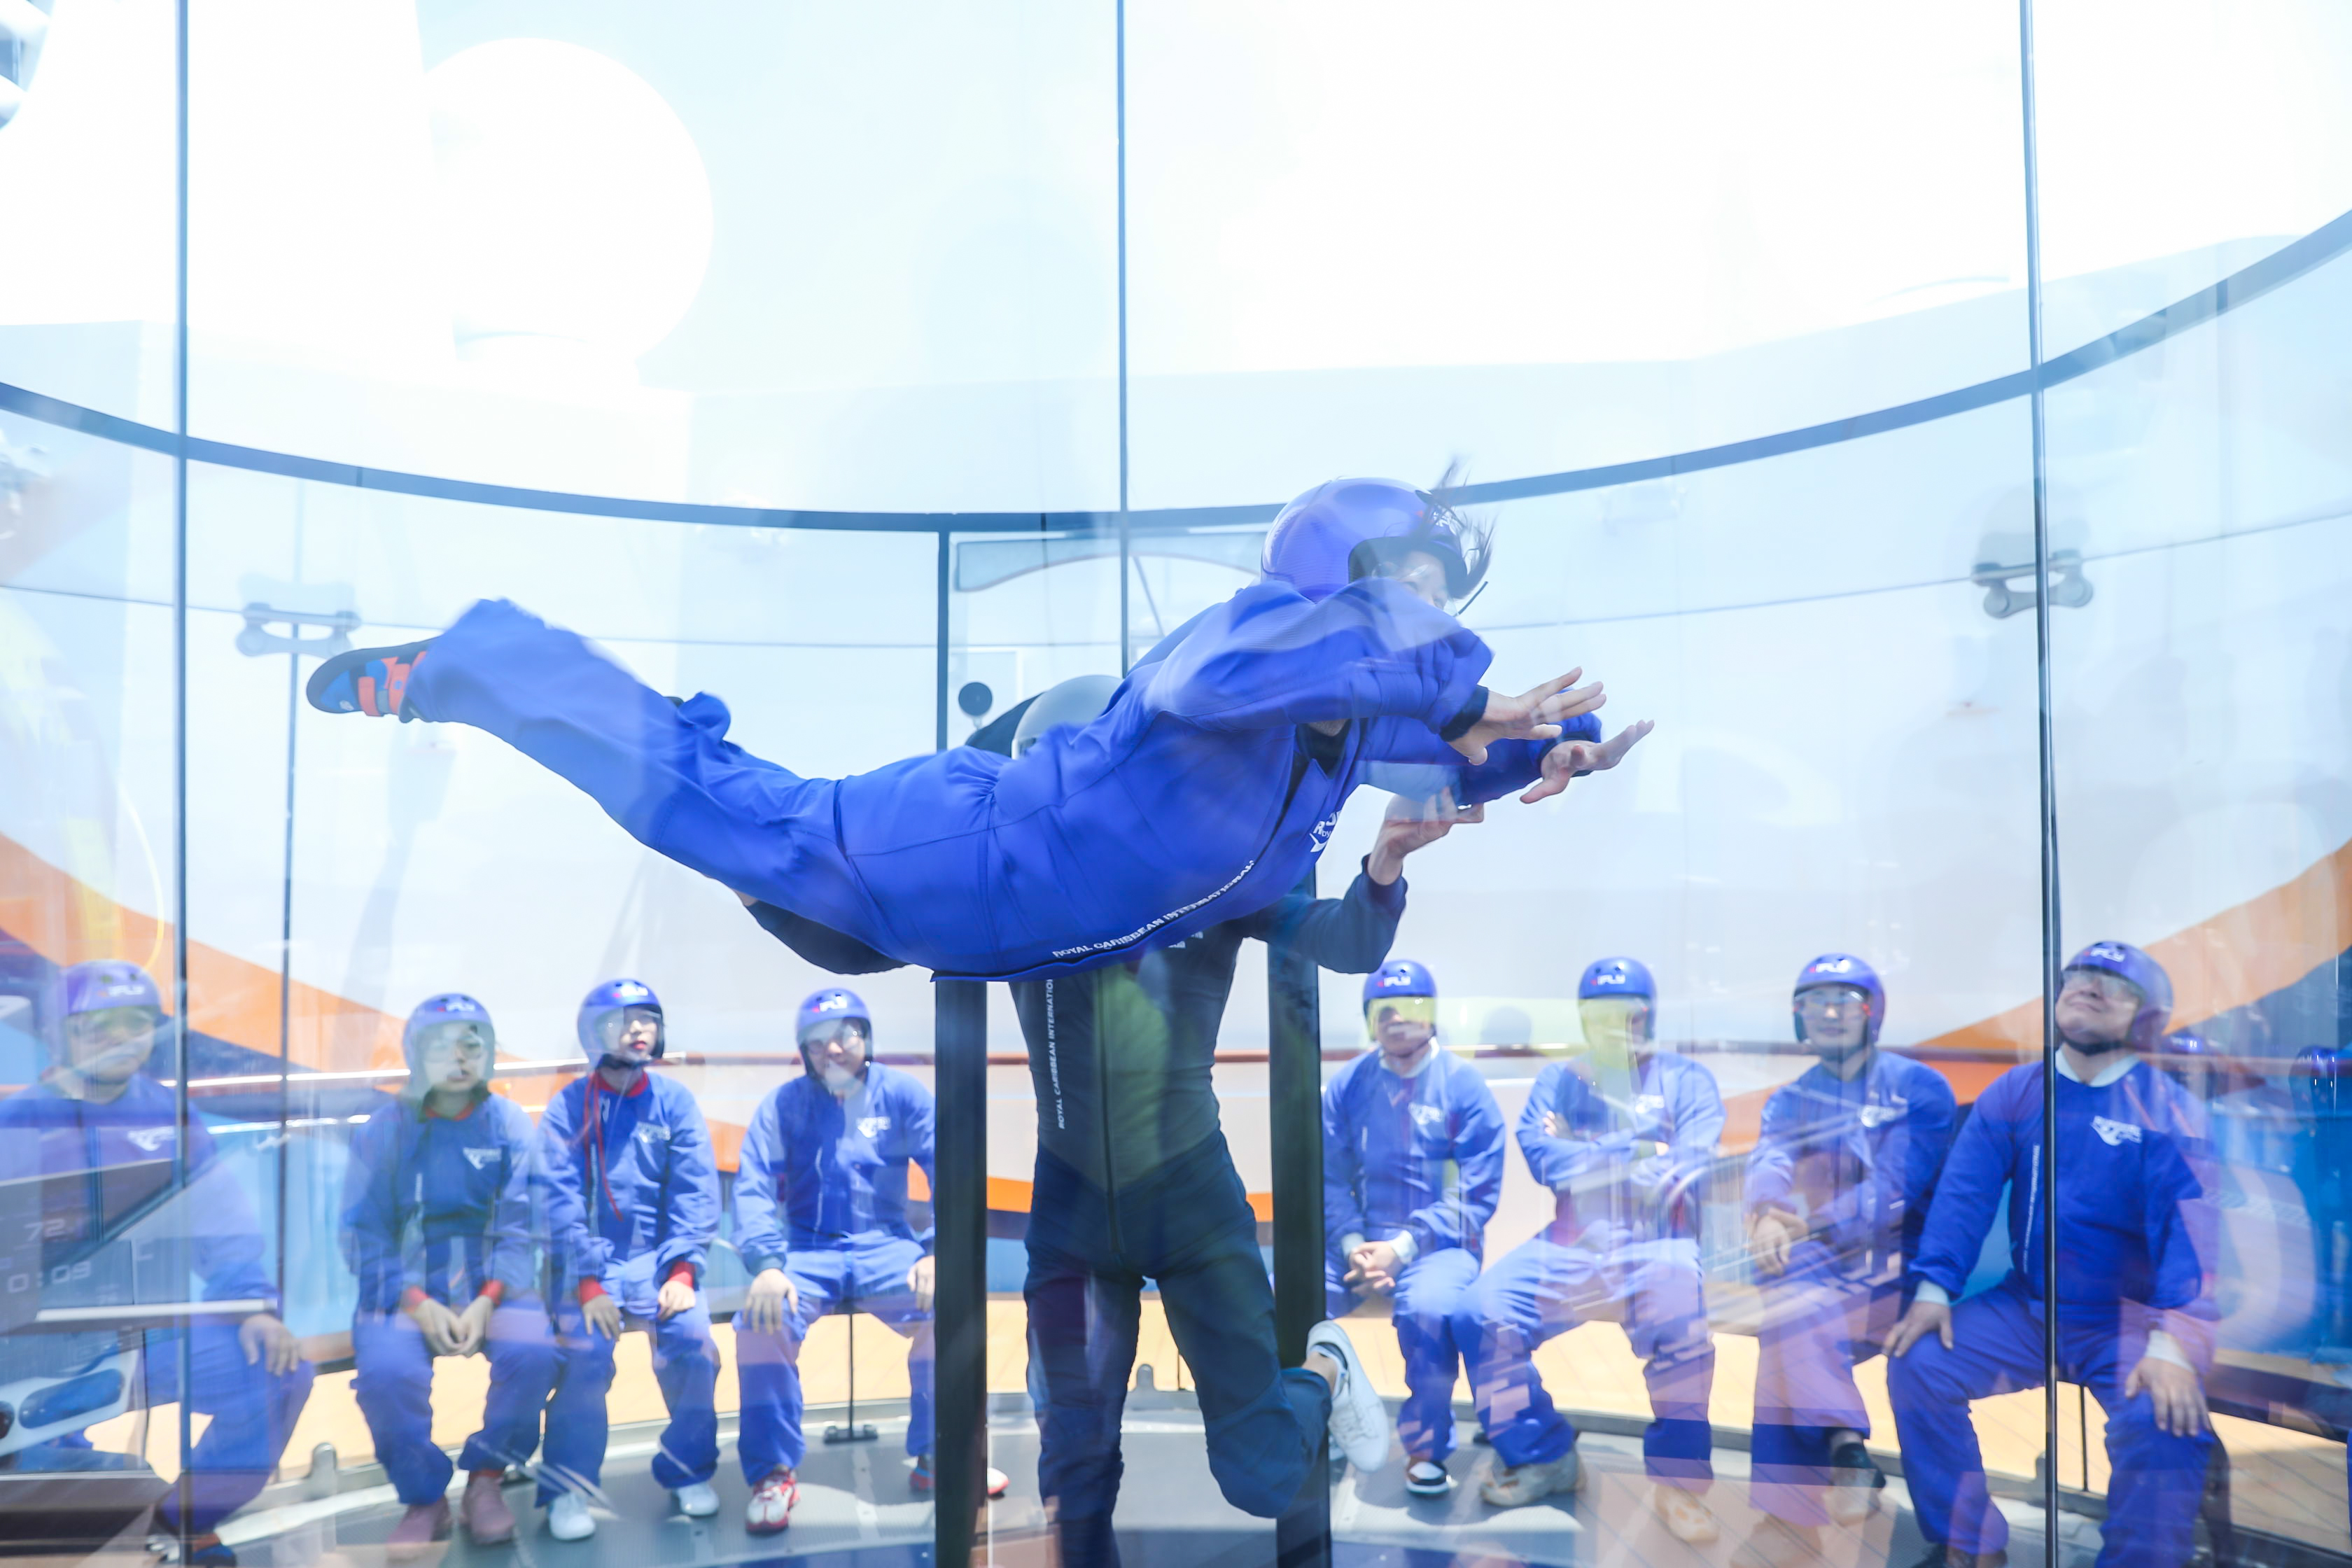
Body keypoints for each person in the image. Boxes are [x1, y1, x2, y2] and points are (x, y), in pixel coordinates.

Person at [302, 477, 1651, 983]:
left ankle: (500, 677)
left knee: (739, 834)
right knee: (694, 796)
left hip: (964, 931)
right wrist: (1454, 685)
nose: (1430, 615)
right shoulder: (1241, 639)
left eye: (1438, 601)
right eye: (1409, 584)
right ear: (1339, 573)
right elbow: (1270, 679)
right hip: (953, 850)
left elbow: (1440, 752)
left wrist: (1544, 756)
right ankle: (477, 661)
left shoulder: (1342, 734)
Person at [990, 678, 1476, 1566]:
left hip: (1189, 1201)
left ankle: (1326, 1367)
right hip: (1070, 1214)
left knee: (1262, 1474)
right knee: (1074, 1473)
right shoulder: (1011, 885)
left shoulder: (1210, 874)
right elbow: (868, 925)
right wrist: (763, 872)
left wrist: (1384, 863)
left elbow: (1346, 941)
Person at [1886, 941, 2217, 1568]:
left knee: (2166, 1421)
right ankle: (1971, 1546)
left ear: (2147, 1017)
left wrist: (2176, 1342)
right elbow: (1964, 1196)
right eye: (2079, 976)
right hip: (2027, 1306)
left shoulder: (2170, 1109)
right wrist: (1934, 1290)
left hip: (2127, 1320)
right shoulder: (2018, 1091)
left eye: (2113, 984)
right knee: (1919, 1364)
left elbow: (2195, 1238)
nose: (2089, 987)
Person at [0, 961, 313, 1567]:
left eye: (136, 1023)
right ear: (61, 1034)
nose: (121, 1038)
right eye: (99, 1025)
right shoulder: (16, 1124)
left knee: (279, 1372)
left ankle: (183, 1523)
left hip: (148, 1333)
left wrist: (254, 1305)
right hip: (39, 1347)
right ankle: (113, 1525)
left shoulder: (171, 1115)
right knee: (48, 1471)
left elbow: (221, 1224)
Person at [1452, 956, 1726, 1541]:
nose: (1617, 1023)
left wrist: (1587, 1154)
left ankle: (1678, 1482)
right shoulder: (1560, 1079)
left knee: (1683, 1331)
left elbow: (1687, 1169)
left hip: (1659, 1241)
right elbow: (1543, 1160)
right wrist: (1640, 1149)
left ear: (1649, 1015)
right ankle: (1545, 1455)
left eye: (1630, 1011)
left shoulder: (1688, 1080)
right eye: (1602, 1013)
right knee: (1480, 1311)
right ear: (1584, 1019)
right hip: (1573, 1239)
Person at [732, 988, 1008, 1534]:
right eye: (818, 1042)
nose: (833, 1049)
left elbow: (952, 1172)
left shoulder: (902, 1094)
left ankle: (942, 1453)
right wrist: (765, 1263)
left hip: (887, 1245)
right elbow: (754, 1186)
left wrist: (939, 1251)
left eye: (845, 1036)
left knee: (950, 1307)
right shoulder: (783, 1105)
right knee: (760, 1323)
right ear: (804, 1052)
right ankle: (773, 1473)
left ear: (866, 1038)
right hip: (805, 1250)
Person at [1740, 956, 1956, 1562]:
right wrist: (1766, 1212)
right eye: (1815, 1002)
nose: (1829, 1014)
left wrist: (1808, 1223)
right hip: (1827, 1264)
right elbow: (1770, 1157)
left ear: (1872, 1014)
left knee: (1787, 1322)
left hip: (1905, 1271)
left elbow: (1894, 1190)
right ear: (1798, 1017)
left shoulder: (1921, 1088)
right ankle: (1845, 1452)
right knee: (1785, 1285)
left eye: (1845, 1002)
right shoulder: (1791, 1099)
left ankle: (1795, 1512)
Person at [341, 994, 560, 1558]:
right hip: (406, 1290)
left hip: (494, 1287)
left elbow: (524, 1223)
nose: (459, 1057)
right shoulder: (384, 1130)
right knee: (387, 1375)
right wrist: (415, 1301)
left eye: (471, 1044)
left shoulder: (508, 1123)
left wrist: (489, 1298)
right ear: (416, 1055)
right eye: (442, 1046)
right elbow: (361, 1233)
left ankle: (486, 1479)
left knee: (533, 1353)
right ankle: (424, 1497)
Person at [536, 979, 723, 1540]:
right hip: (589, 1269)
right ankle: (568, 1488)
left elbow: (696, 1191)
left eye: (648, 1019)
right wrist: (587, 1283)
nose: (639, 1029)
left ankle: (687, 1468)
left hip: (659, 1263)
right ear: (594, 1033)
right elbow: (556, 1201)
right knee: (584, 1356)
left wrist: (683, 1271)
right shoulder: (567, 1107)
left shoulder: (675, 1102)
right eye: (624, 1021)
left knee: (694, 1343)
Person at [1323, 959, 1506, 1497]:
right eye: (1384, 1011)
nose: (1397, 1019)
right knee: (1283, 1297)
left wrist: (1402, 1248)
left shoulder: (1464, 1085)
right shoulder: (1350, 1083)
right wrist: (1353, 1244)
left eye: (1410, 1008)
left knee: (1429, 1311)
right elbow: (1327, 1175)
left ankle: (1426, 1449)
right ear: (1370, 1020)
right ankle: (1321, 1414)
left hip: (1440, 1245)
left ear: (1432, 1015)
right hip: (1357, 1241)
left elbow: (1475, 1191)